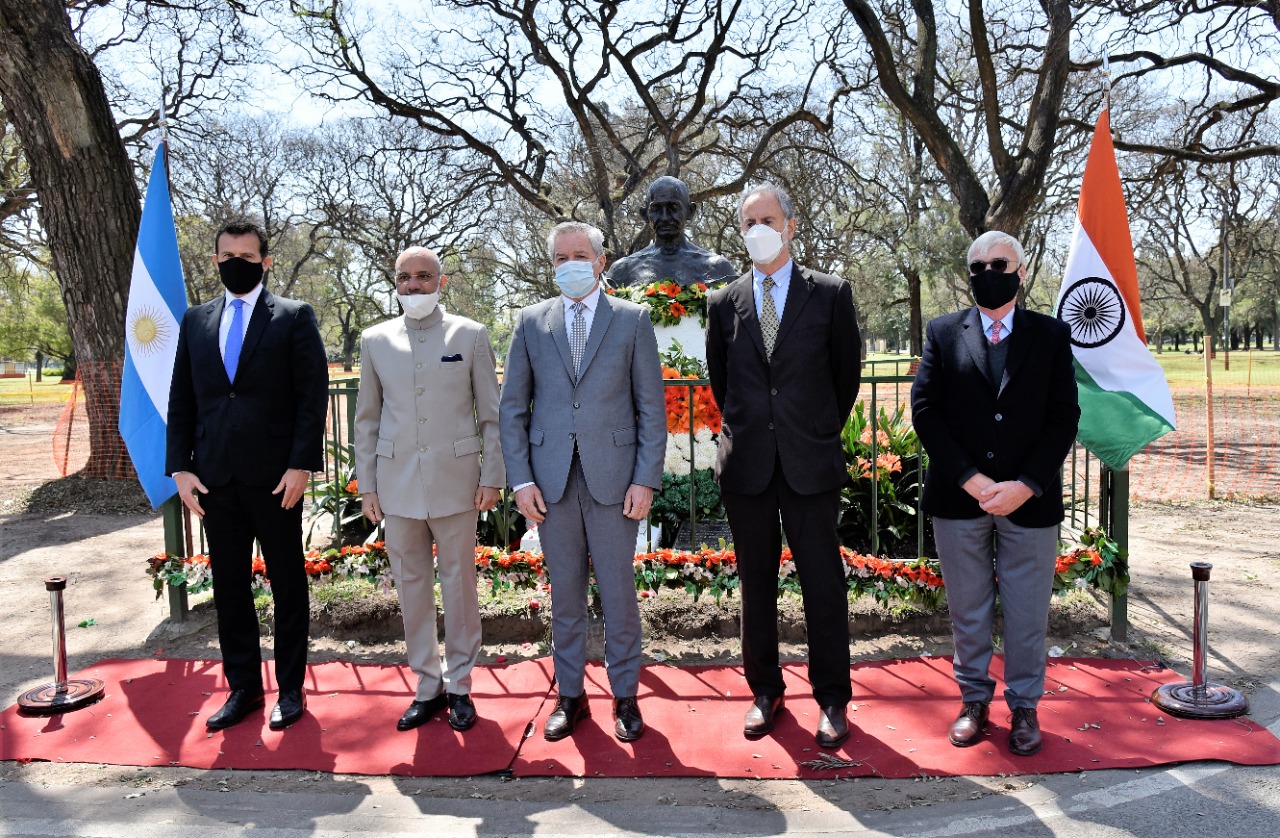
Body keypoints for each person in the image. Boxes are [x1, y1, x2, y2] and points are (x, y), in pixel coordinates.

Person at [910, 230, 1080, 756]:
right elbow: (926, 411)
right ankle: (974, 701)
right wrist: (972, 479)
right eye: (978, 266)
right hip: (960, 497)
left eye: (999, 264)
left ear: (1021, 271)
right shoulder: (943, 332)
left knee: (1028, 613)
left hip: (1030, 501)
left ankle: (1025, 707)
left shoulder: (1051, 335)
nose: (989, 273)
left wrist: (1026, 485)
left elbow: (1063, 417)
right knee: (969, 609)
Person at [705, 183, 862, 748]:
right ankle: (765, 691)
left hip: (809, 462)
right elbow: (722, 383)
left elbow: (845, 379)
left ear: (791, 226)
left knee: (823, 583)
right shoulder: (723, 302)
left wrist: (811, 429)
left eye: (767, 220)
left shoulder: (830, 294)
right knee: (756, 586)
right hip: (747, 466)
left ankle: (832, 698)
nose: (758, 231)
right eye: (748, 223)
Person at [499, 221, 666, 743]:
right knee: (565, 596)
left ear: (599, 261)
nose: (569, 264)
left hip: (614, 481)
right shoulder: (531, 322)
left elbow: (650, 408)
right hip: (550, 482)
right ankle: (570, 696)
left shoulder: (632, 320)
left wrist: (645, 478)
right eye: (560, 257)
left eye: (579, 255)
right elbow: (512, 409)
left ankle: (625, 696)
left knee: (618, 594)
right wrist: (521, 480)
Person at [167, 220, 328, 732]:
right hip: (214, 479)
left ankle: (291, 689)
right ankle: (243, 689)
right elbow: (182, 397)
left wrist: (301, 464)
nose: (237, 263)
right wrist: (180, 468)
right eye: (228, 256)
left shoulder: (294, 316)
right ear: (215, 260)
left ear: (266, 261)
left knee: (287, 586)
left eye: (247, 256)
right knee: (230, 589)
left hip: (277, 479)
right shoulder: (195, 320)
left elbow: (311, 397)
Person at [353, 247, 505, 733]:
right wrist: (367, 485)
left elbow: (492, 415)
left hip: (457, 482)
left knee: (460, 585)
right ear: (395, 283)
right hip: (395, 484)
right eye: (405, 277)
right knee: (411, 586)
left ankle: (460, 684)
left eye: (423, 276)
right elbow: (367, 420)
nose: (414, 284)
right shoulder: (375, 340)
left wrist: (492, 475)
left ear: (442, 281)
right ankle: (426, 685)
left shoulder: (470, 334)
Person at [608, 176, 737, 289]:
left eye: (673, 207)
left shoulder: (718, 268)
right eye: (656, 208)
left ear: (690, 211)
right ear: (645, 214)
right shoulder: (622, 271)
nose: (664, 217)